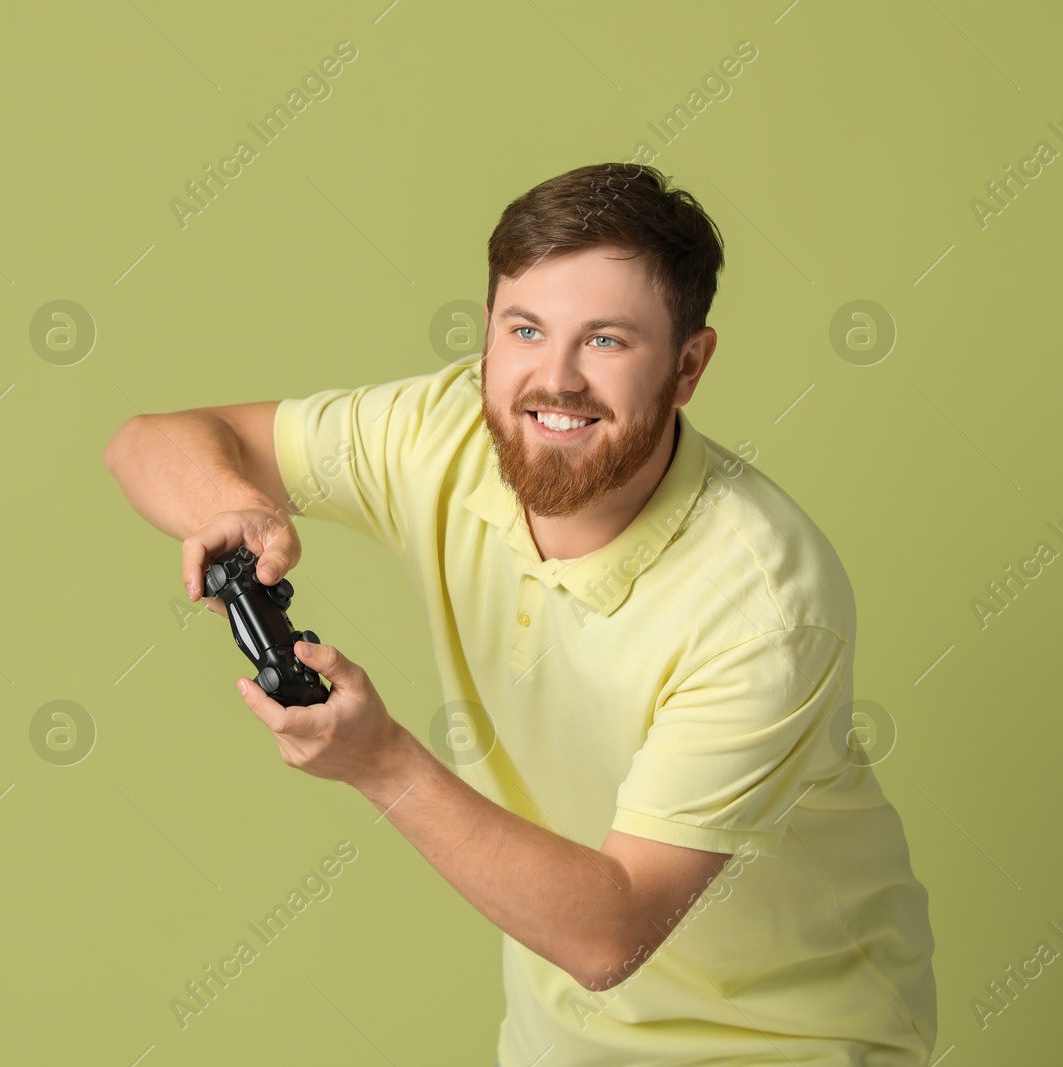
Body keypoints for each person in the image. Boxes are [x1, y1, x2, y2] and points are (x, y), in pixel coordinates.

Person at [102, 162, 937, 1066]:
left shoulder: (765, 605)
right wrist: (237, 506)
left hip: (783, 1042)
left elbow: (610, 932)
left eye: (607, 340)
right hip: (560, 1044)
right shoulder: (444, 427)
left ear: (689, 366)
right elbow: (146, 443)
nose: (555, 379)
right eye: (526, 329)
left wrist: (383, 764)